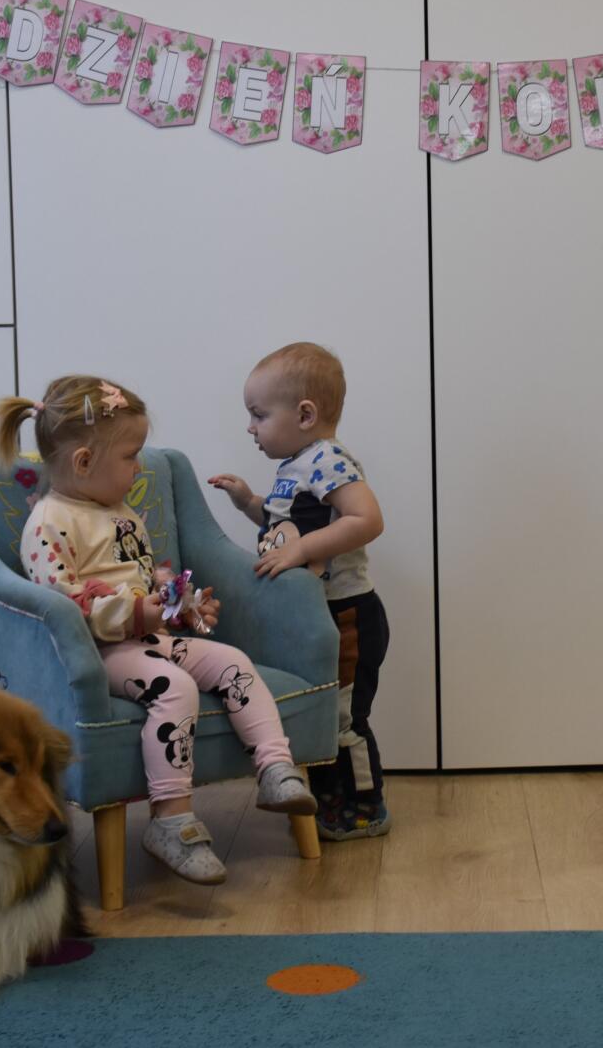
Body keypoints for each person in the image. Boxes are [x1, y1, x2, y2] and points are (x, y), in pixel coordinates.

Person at [0, 373, 315, 885]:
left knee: (232, 661)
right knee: (175, 688)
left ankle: (275, 768)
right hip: (103, 652)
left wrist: (184, 606)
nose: (138, 467)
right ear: (84, 462)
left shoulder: (120, 511)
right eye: (130, 456)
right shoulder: (50, 522)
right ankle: (171, 820)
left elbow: (146, 578)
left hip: (150, 639)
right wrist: (140, 612)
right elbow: (63, 604)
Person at [209, 343, 391, 840]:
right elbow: (283, 527)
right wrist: (249, 502)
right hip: (311, 614)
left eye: (259, 414)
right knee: (317, 713)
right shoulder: (295, 466)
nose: (251, 427)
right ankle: (331, 800)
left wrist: (301, 550)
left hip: (345, 615)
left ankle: (366, 805)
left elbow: (367, 519)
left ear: (305, 415)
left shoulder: (327, 459)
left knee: (343, 718)